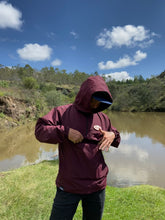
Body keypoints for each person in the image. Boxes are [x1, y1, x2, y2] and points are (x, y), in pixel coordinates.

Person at [35, 75, 120, 220]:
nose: (95, 105)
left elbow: (115, 136)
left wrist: (113, 135)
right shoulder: (62, 112)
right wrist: (65, 132)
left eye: (100, 102)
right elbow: (40, 131)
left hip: (97, 186)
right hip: (69, 186)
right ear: (85, 95)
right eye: (94, 100)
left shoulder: (103, 118)